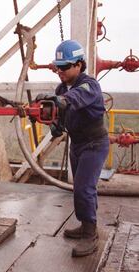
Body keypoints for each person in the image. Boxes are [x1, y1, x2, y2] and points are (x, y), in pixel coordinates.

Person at [35, 40, 109, 257]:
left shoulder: (89, 85)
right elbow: (61, 112)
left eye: (65, 67)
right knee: (81, 187)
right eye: (58, 67)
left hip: (94, 144)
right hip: (77, 144)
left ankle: (90, 234)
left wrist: (59, 100)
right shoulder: (61, 88)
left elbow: (73, 99)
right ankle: (86, 224)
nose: (60, 71)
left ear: (79, 64)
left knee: (84, 189)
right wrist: (55, 123)